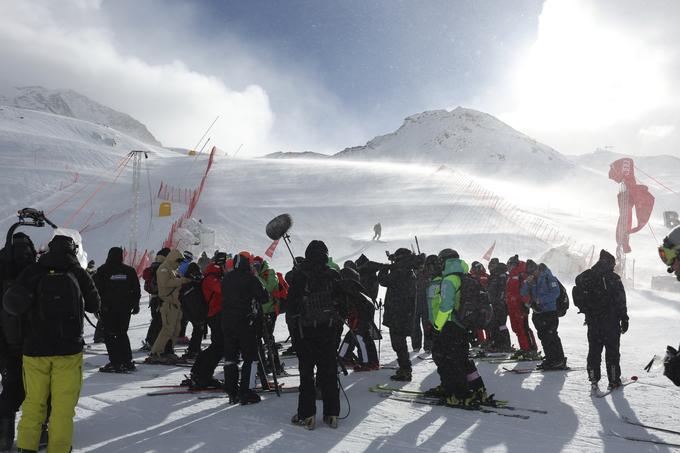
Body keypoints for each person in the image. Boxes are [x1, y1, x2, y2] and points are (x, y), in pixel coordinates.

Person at [3, 235, 100, 453]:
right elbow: (95, 304)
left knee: (33, 403)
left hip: (35, 350)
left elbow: (13, 306)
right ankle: (59, 448)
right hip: (69, 350)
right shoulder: (76, 271)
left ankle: (27, 447)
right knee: (62, 407)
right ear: (72, 250)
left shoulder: (34, 271)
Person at [286, 240, 345, 430]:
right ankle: (332, 413)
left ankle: (307, 414)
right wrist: (336, 331)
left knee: (306, 375)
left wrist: (294, 333)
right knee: (328, 373)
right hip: (328, 331)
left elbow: (291, 307)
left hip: (305, 333)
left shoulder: (299, 275)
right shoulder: (333, 275)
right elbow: (341, 306)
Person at [433, 250, 494, 407]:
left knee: (452, 362)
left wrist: (437, 326)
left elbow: (446, 307)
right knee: (464, 360)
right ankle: (478, 388)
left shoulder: (449, 280)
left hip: (451, 325)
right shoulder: (466, 277)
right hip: (465, 325)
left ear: (444, 262)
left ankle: (460, 395)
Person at [0, 233, 37, 451]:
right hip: (36, 341)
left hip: (6, 340)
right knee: (39, 390)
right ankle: (40, 430)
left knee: (11, 385)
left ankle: (4, 435)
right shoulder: (35, 270)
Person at [574, 250, 628, 391]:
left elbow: (577, 286)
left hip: (593, 322)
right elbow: (621, 300)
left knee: (594, 351)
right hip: (611, 322)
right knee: (612, 352)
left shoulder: (588, 276)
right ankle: (614, 380)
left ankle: (593, 379)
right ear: (609, 263)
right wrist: (624, 318)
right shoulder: (614, 278)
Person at [222, 252, 268, 405]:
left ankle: (231, 391)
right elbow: (264, 297)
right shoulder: (250, 278)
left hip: (227, 322)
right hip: (245, 322)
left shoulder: (227, 278)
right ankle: (246, 391)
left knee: (230, 358)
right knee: (251, 358)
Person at [93, 247, 141, 373]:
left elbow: (96, 290)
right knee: (122, 333)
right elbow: (136, 290)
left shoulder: (103, 270)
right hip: (125, 309)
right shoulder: (129, 271)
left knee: (109, 335)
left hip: (108, 309)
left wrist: (96, 306)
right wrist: (135, 305)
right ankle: (127, 361)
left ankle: (116, 362)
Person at [186, 253, 227, 388]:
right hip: (215, 315)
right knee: (218, 347)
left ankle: (199, 372)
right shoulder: (211, 277)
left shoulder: (214, 275)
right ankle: (203, 375)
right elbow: (222, 290)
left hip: (217, 314)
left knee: (217, 347)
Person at [378, 248, 419, 381]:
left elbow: (383, 280)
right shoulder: (408, 271)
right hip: (404, 312)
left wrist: (384, 269)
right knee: (400, 343)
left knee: (398, 343)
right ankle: (405, 368)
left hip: (398, 312)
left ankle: (405, 370)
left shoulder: (401, 272)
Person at [146, 249, 191, 364]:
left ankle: (168, 351)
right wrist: (182, 281)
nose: (179, 264)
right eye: (178, 261)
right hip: (167, 303)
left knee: (175, 330)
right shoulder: (164, 268)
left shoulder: (173, 270)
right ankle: (156, 352)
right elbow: (165, 283)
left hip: (175, 303)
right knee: (167, 330)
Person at [521, 260, 566, 370]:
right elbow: (522, 293)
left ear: (536, 269)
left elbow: (556, 293)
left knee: (552, 336)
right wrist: (527, 283)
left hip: (550, 312)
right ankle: (550, 359)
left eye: (533, 272)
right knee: (543, 337)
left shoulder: (548, 277)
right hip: (538, 313)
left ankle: (559, 360)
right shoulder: (532, 280)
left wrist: (541, 300)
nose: (532, 275)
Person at [338, 267, 380, 371]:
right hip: (358, 316)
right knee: (351, 337)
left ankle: (367, 362)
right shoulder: (354, 284)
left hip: (360, 316)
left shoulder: (349, 284)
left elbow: (361, 304)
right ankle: (343, 357)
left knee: (361, 338)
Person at [505, 255, 539, 360]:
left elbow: (525, 290)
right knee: (516, 328)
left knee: (523, 328)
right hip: (512, 306)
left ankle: (530, 349)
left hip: (520, 306)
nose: (508, 267)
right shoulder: (511, 275)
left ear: (513, 264)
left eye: (509, 265)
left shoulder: (521, 275)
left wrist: (526, 303)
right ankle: (524, 347)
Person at [141, 248, 170, 351]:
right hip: (161, 298)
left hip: (154, 298)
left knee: (156, 320)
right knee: (159, 321)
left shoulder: (154, 266)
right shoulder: (164, 268)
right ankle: (152, 342)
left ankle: (151, 342)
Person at [485, 259, 513, 352]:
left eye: (492, 266)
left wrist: (500, 301)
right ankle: (497, 343)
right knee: (494, 324)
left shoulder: (501, 275)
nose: (490, 268)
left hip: (501, 304)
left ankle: (505, 344)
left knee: (501, 324)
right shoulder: (493, 275)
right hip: (494, 304)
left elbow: (503, 289)